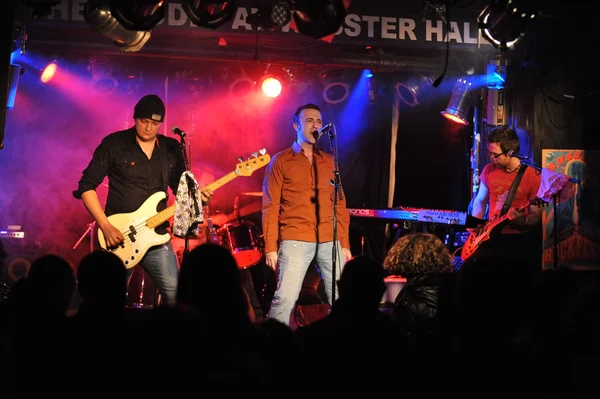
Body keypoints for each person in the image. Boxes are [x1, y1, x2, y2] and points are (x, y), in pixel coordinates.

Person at [73, 94, 213, 306]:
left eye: (155, 124)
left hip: (156, 236)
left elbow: (182, 195)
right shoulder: (114, 144)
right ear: (134, 118)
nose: (148, 128)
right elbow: (86, 187)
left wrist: (199, 200)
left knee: (178, 297)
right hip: (119, 236)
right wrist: (106, 226)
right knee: (107, 301)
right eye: (144, 122)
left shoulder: (171, 149)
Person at [262, 103, 352, 326]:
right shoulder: (281, 161)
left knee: (342, 299)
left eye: (319, 121)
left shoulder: (330, 162)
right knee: (285, 298)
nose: (316, 124)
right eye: (310, 120)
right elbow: (270, 205)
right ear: (296, 125)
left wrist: (344, 242)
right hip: (295, 236)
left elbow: (340, 205)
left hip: (329, 239)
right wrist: (270, 246)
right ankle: (271, 345)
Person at [469, 127, 543, 272]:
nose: (491, 158)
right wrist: (476, 223)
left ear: (510, 153)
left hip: (518, 241)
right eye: (490, 153)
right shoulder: (489, 170)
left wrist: (522, 220)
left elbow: (536, 214)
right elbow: (480, 201)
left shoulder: (533, 175)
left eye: (495, 155)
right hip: (490, 238)